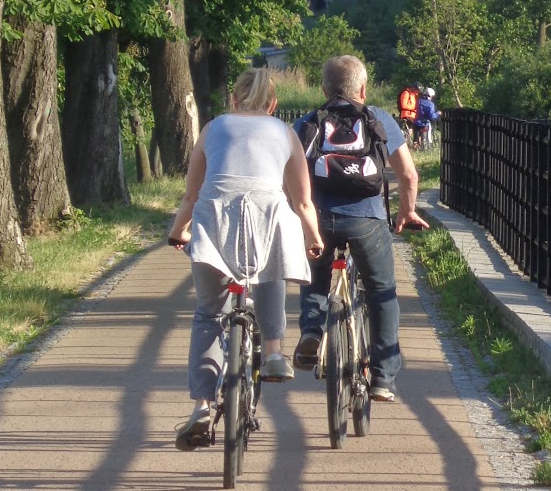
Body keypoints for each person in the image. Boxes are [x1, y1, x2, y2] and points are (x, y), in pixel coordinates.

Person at [168, 68, 324, 451]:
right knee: (271, 267)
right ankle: (273, 352)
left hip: (215, 219)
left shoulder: (213, 128)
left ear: (233, 99)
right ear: (273, 104)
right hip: (268, 215)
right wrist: (314, 238)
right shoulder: (284, 132)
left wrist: (178, 231)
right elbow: (302, 201)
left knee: (209, 313)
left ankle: (202, 407)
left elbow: (191, 195)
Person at [293, 55, 429, 401]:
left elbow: (289, 178)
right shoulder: (379, 118)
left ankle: (312, 330)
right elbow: (409, 175)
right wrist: (406, 212)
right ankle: (382, 378)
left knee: (314, 279)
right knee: (382, 292)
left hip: (319, 220)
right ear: (363, 89)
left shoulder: (307, 123)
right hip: (367, 220)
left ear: (324, 89)